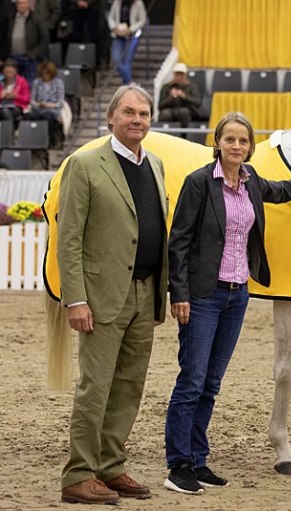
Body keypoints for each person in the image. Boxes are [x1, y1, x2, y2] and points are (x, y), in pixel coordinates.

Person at [163, 111, 291, 494]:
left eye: (243, 141)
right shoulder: (199, 182)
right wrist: (179, 294)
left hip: (237, 295)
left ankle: (198, 459)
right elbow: (179, 240)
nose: (237, 146)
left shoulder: (251, 184)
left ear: (250, 147)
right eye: (230, 139)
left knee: (211, 383)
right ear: (217, 143)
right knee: (191, 380)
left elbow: (286, 190)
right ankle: (178, 464)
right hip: (202, 295)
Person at [57, 85, 168, 505]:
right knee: (95, 388)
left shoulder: (155, 164)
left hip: (144, 294)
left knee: (128, 387)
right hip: (100, 296)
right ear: (110, 117)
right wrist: (76, 299)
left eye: (143, 113)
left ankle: (111, 466)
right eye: (128, 112)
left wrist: (160, 294)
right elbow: (69, 238)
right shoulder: (84, 163)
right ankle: (77, 474)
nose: (137, 119)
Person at [0, 0, 49, 85]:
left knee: (30, 85)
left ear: (29, 4)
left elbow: (45, 37)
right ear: (16, 5)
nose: (22, 5)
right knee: (12, 85)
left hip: (29, 58)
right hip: (12, 58)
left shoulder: (36, 19)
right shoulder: (10, 18)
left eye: (24, 3)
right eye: (19, 3)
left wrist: (37, 53)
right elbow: (3, 38)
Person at [24, 60, 65, 147]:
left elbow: (60, 102)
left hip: (52, 108)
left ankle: (48, 139)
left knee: (47, 116)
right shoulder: (37, 82)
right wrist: (38, 104)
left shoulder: (59, 83)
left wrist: (50, 105)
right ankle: (30, 139)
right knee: (30, 116)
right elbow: (32, 100)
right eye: (44, 74)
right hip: (38, 108)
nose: (45, 76)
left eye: (47, 74)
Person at [107, 0, 146, 85]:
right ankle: (130, 82)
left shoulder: (138, 2)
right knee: (116, 60)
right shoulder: (117, 1)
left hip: (131, 36)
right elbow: (111, 17)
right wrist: (114, 28)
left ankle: (126, 84)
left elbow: (142, 20)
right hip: (118, 35)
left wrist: (131, 29)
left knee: (127, 61)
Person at [158, 63, 203, 128]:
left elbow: (198, 102)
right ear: (174, 74)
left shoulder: (191, 87)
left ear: (185, 75)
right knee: (165, 114)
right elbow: (160, 106)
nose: (179, 76)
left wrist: (184, 96)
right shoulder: (166, 87)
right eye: (177, 74)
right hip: (170, 109)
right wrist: (170, 98)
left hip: (186, 109)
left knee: (184, 112)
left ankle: (184, 135)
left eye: (181, 74)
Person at [0, 59, 30, 129]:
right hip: (1, 105)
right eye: (7, 72)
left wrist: (16, 96)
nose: (9, 74)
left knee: (5, 112)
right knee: (4, 110)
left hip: (16, 106)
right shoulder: (0, 80)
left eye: (11, 72)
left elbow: (27, 99)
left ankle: (9, 135)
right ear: (3, 71)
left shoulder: (22, 81)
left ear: (16, 71)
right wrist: (1, 95)